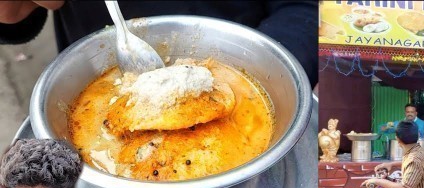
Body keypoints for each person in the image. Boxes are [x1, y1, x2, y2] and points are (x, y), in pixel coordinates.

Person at [0, 1, 317, 87]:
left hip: (245, 71)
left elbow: (308, 9)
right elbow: (15, 14)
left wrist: (238, 85)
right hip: (98, 80)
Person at [362, 121, 424, 188]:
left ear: (397, 139)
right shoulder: (416, 149)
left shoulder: (414, 159)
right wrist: (391, 165)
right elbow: (411, 167)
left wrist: (377, 181)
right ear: (418, 135)